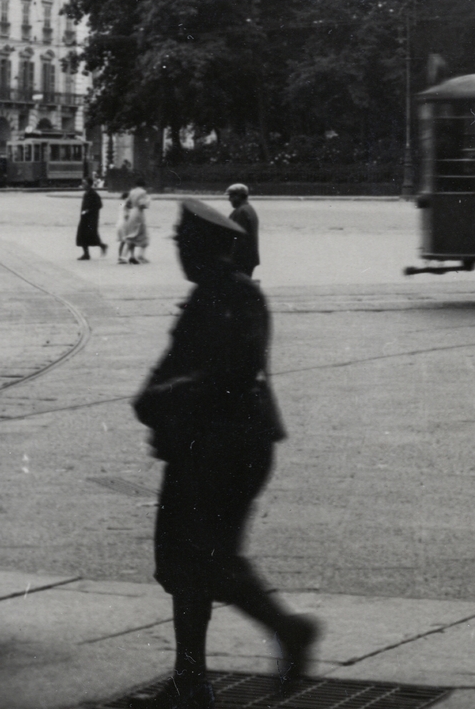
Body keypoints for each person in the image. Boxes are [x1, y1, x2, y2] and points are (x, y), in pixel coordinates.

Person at [130, 200, 319, 708]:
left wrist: (164, 397)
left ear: (203, 248)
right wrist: (154, 398)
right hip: (205, 448)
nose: (177, 250)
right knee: (184, 563)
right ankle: (190, 678)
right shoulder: (208, 296)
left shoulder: (235, 296)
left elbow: (229, 375)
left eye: (181, 242)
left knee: (207, 560)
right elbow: (171, 368)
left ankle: (287, 629)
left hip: (227, 450)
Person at [225, 183, 259, 275]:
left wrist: (230, 260)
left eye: (231, 196)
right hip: (247, 259)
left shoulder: (242, 212)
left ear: (239, 196)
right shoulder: (248, 209)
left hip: (241, 260)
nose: (229, 199)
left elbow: (238, 237)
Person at [76, 174, 107, 260]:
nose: (83, 184)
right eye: (83, 183)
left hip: (91, 219)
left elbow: (99, 205)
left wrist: (89, 210)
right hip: (84, 218)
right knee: (82, 235)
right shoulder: (86, 193)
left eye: (84, 183)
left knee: (91, 235)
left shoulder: (94, 194)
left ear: (89, 184)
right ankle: (86, 253)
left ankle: (101, 246)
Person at [125, 184, 150, 262]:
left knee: (132, 234)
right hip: (139, 213)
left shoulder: (131, 191)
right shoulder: (143, 192)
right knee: (143, 234)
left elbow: (127, 203)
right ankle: (141, 255)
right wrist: (148, 201)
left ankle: (132, 255)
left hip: (132, 213)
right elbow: (142, 205)